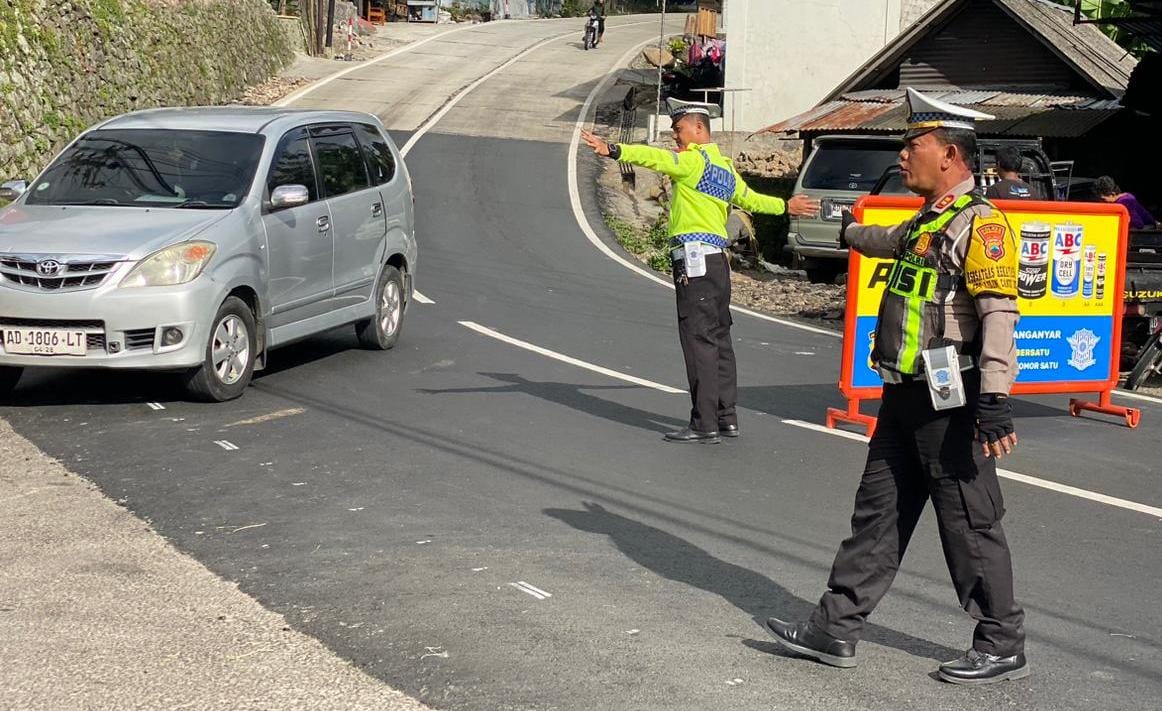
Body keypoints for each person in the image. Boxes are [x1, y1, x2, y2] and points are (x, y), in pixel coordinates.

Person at [764, 88, 1028, 685]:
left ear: (951, 155)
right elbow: (886, 240)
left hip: (952, 399)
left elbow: (999, 314)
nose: (903, 155)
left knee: (968, 521)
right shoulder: (928, 220)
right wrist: (850, 229)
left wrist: (994, 400)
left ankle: (1002, 641)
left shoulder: (983, 226)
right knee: (877, 515)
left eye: (915, 145)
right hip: (904, 393)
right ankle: (834, 628)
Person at [580, 102, 819, 443]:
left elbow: (656, 159)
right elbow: (752, 199)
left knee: (699, 340)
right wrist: (785, 206)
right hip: (718, 262)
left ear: (698, 129)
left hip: (694, 260)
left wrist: (613, 149)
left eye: (678, 130)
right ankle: (726, 417)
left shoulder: (692, 162)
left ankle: (704, 423)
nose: (674, 137)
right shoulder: (724, 167)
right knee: (720, 338)